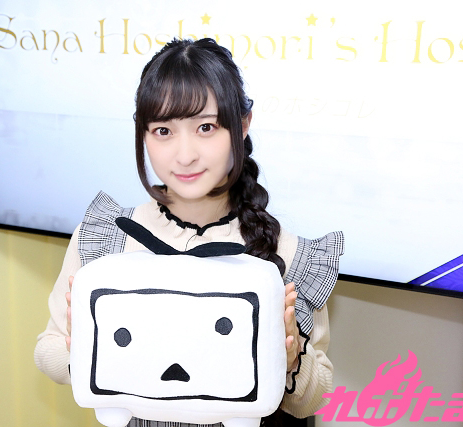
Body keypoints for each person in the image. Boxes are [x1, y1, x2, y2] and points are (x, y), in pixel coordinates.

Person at [35, 37, 344, 426]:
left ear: (242, 125)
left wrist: (292, 356)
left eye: (206, 127)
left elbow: (315, 401)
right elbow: (48, 349)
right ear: (143, 133)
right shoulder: (107, 238)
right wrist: (82, 347)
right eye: (163, 130)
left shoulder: (288, 253)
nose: (185, 155)